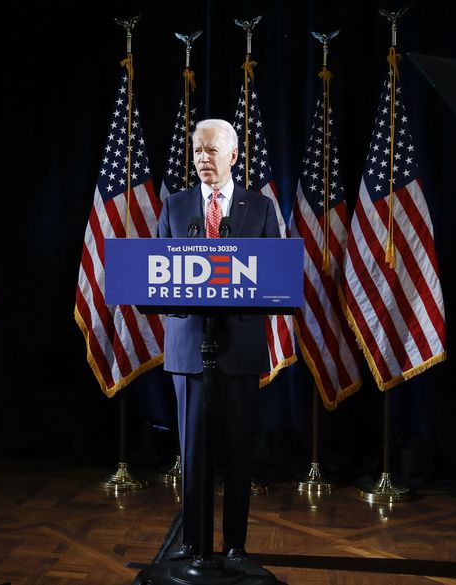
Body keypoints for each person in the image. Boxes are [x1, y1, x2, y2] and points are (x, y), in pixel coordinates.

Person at [157, 118, 280, 560]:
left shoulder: (260, 207)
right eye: (197, 151)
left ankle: (235, 547)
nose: (203, 158)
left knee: (238, 453)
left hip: (241, 348)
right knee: (193, 454)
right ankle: (192, 545)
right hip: (189, 347)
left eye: (211, 150)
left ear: (233, 155)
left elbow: (276, 275)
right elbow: (158, 276)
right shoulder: (175, 206)